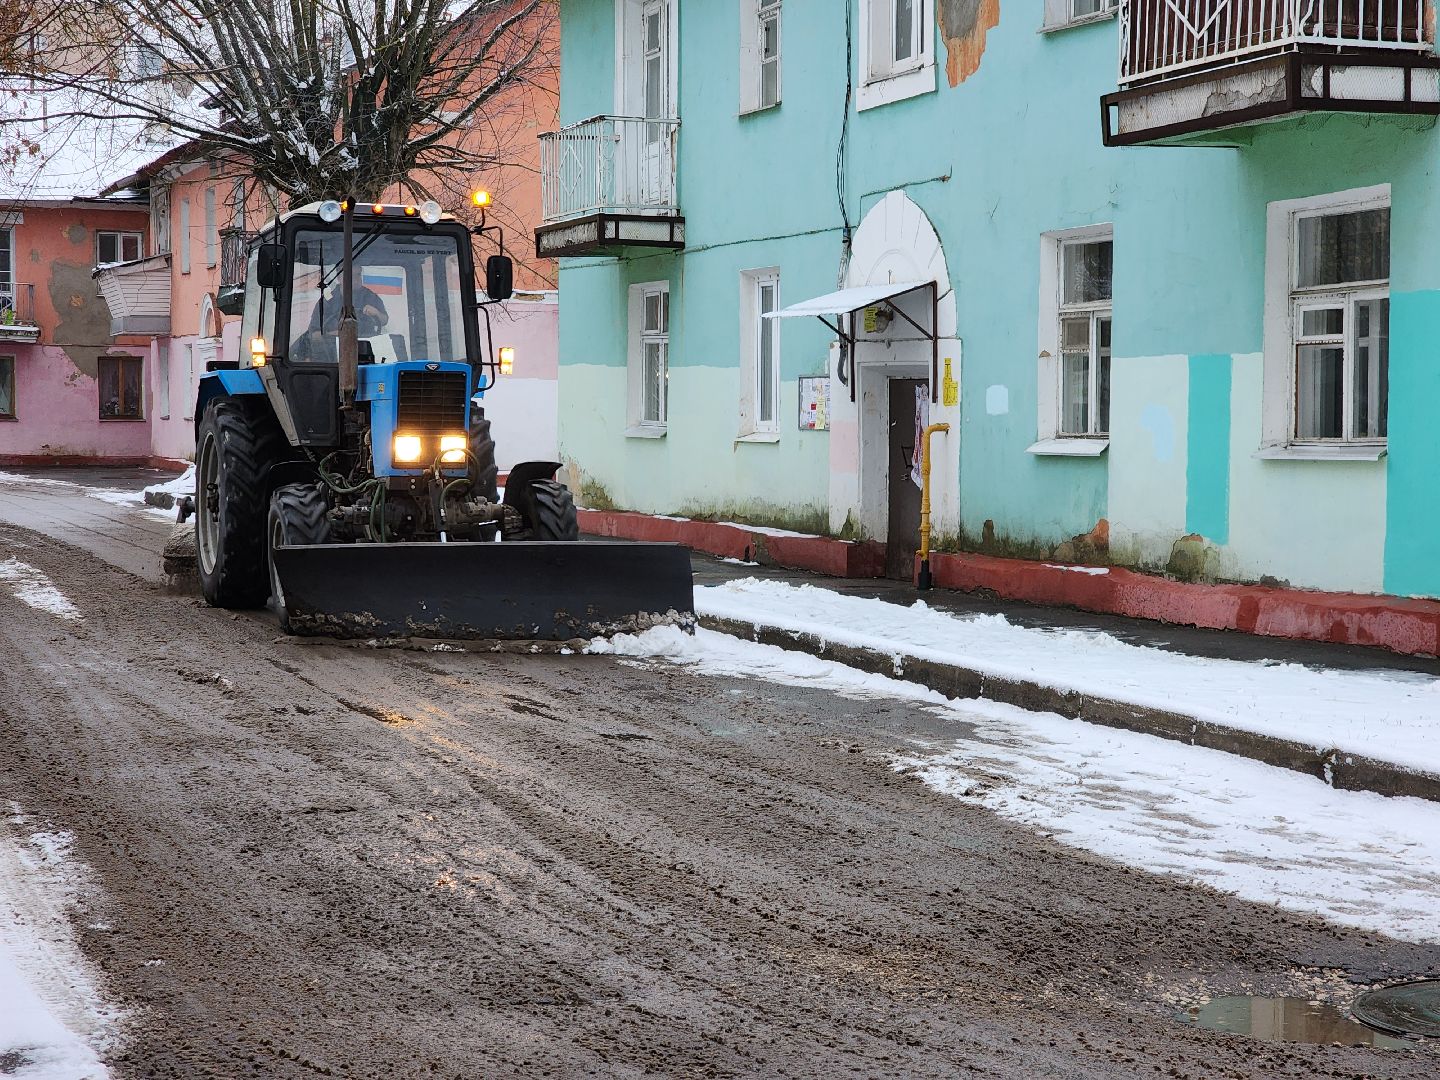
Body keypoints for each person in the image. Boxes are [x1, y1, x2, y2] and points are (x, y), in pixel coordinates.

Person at [288, 281, 389, 362]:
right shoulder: (327, 301)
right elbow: (314, 334)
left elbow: (384, 320)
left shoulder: (370, 297)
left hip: (365, 356)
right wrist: (338, 334)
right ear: (340, 276)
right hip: (330, 359)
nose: (356, 279)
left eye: (358, 275)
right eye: (352, 276)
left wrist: (377, 313)